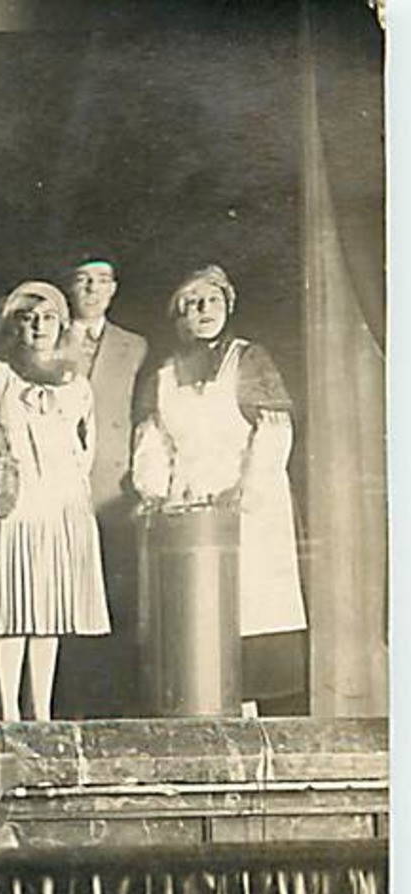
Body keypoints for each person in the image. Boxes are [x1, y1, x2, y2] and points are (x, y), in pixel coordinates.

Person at [131, 265, 307, 707]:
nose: (203, 310)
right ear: (177, 317)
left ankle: (250, 713)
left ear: (227, 305)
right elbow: (152, 441)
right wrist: (154, 492)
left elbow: (274, 431)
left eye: (211, 300)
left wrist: (245, 491)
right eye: (191, 304)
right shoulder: (165, 375)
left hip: (248, 508)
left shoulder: (248, 359)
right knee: (195, 619)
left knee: (250, 609)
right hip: (187, 510)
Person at [0, 281, 111, 721]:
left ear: (62, 326)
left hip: (61, 502)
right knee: (12, 607)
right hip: (15, 504)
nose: (38, 326)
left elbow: (86, 445)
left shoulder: (76, 384)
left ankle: (42, 711)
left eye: (48, 318)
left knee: (48, 608)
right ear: (14, 326)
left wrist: (71, 488)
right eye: (28, 319)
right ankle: (9, 710)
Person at [59, 256, 150, 715]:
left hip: (116, 489)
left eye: (101, 280)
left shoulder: (136, 347)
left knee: (116, 593)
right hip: (61, 487)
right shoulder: (49, 339)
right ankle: (69, 701)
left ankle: (116, 703)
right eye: (83, 278)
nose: (92, 288)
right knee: (65, 594)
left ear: (113, 289)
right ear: (70, 286)